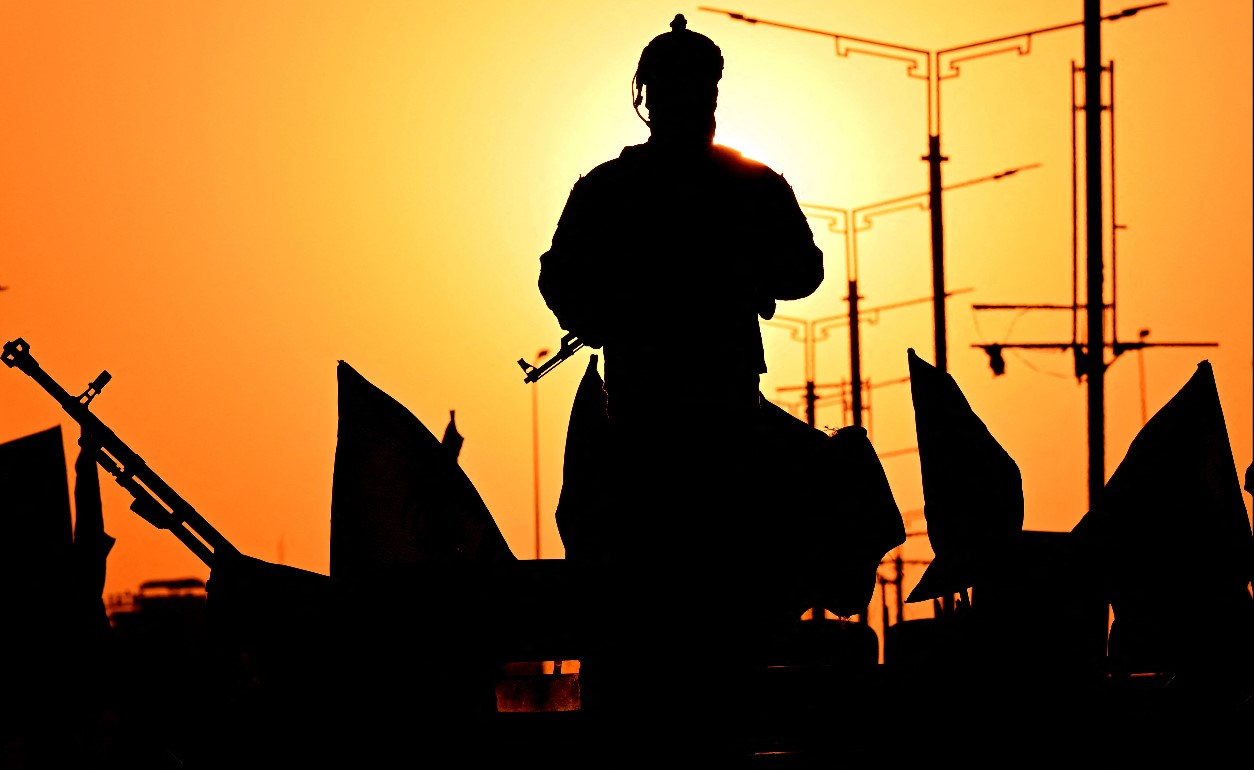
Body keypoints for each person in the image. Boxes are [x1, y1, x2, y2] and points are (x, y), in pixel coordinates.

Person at [538, 14, 824, 766]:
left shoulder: (615, 190)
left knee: (645, 586)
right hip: (694, 417)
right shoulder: (747, 185)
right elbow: (802, 271)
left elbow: (560, 280)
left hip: (665, 417)